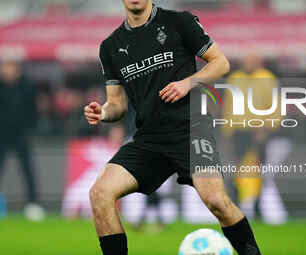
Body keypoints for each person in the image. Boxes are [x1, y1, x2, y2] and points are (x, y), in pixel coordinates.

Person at [84, 1, 261, 255]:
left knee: (216, 200)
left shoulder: (179, 22)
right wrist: (102, 112)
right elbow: (117, 105)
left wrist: (188, 83)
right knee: (100, 193)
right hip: (150, 139)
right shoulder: (110, 47)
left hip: (191, 128)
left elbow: (220, 63)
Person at [222, 53, 289, 224]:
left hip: (258, 130)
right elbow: (229, 105)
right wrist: (228, 130)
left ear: (260, 61)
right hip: (239, 131)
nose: (248, 62)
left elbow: (276, 104)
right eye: (246, 59)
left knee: (259, 170)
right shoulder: (235, 78)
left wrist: (267, 127)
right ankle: (236, 205)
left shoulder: (267, 79)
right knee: (237, 169)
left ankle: (258, 205)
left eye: (251, 59)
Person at [0, 59, 45, 221]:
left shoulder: (26, 86)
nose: (8, 70)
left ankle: (33, 204)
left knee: (27, 170)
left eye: (11, 67)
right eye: (6, 66)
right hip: (2, 135)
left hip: (20, 135)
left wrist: (30, 127)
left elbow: (33, 109)